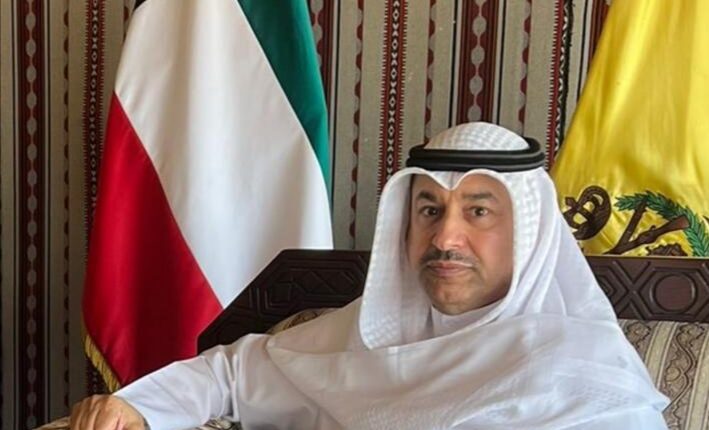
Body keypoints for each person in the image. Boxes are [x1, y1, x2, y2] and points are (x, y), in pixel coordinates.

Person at [70, 122, 669, 429]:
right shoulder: (373, 332)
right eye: (429, 210)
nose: (445, 238)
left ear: (530, 232)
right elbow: (232, 372)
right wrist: (138, 409)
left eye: (478, 212)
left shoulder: (590, 381)